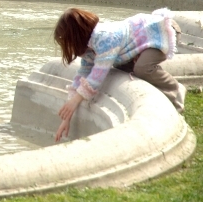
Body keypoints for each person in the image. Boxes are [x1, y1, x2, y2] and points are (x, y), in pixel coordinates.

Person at [53, 7, 186, 143]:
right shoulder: (88, 49)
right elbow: (83, 74)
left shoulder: (105, 38)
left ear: (75, 36)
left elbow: (96, 76)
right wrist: (67, 117)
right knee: (122, 68)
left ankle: (175, 91)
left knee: (142, 68)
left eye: (66, 41)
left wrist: (75, 101)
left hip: (160, 31)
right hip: (143, 39)